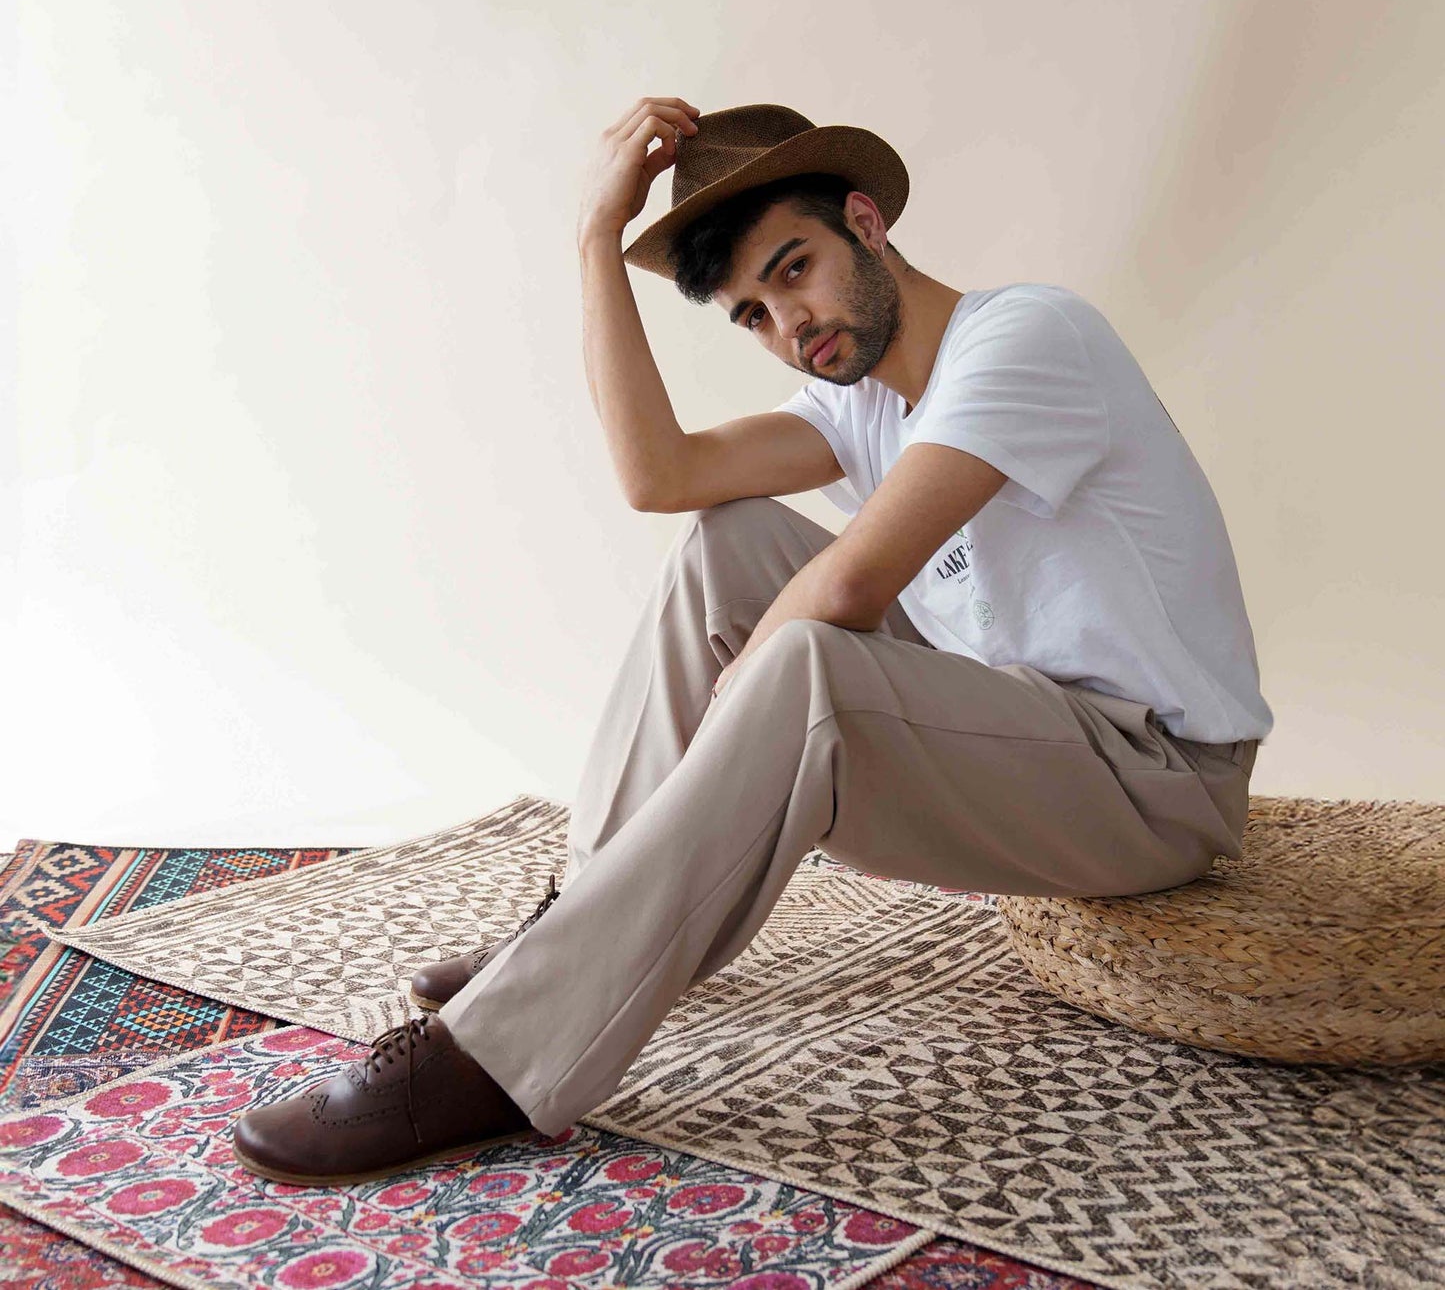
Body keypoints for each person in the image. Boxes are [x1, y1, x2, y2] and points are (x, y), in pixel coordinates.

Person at [232, 97, 1273, 1186]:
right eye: (750, 312)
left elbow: (856, 579)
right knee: (728, 542)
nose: (789, 323)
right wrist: (595, 240)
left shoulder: (1027, 335)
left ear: (865, 223)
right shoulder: (857, 403)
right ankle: (580, 916)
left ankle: (497, 1059)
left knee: (808, 651)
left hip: (1153, 779)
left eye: (794, 268)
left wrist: (745, 699)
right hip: (1020, 735)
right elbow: (659, 475)